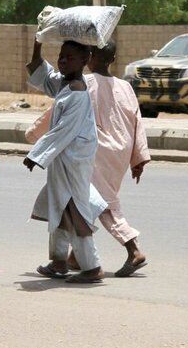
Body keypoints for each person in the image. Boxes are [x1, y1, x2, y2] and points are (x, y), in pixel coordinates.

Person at [26, 41, 152, 277]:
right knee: (69, 204)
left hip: (92, 154)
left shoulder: (83, 84)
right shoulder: (125, 86)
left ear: (88, 58)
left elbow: (59, 119)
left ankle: (130, 249)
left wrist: (35, 140)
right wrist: (139, 157)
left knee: (92, 205)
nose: (63, 61)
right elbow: (137, 121)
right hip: (120, 152)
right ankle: (66, 259)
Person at [24, 39, 107, 284]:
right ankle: (59, 261)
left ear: (85, 61)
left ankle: (92, 266)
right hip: (64, 157)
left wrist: (36, 156)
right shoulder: (64, 84)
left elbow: (63, 130)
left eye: (69, 57)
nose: (62, 60)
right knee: (58, 204)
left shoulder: (78, 91)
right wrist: (38, 44)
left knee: (73, 209)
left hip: (73, 159)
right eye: (61, 55)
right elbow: (43, 75)